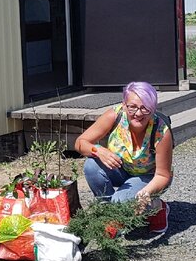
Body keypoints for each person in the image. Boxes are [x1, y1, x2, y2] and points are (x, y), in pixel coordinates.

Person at [74, 81, 174, 234]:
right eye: (132, 107)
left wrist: (146, 193)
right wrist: (98, 150)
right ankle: (109, 215)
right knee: (91, 166)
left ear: (153, 108)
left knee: (121, 201)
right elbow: (80, 143)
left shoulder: (161, 131)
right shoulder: (115, 116)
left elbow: (163, 175)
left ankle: (158, 206)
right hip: (121, 170)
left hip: (149, 177)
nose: (138, 113)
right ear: (124, 104)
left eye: (145, 108)